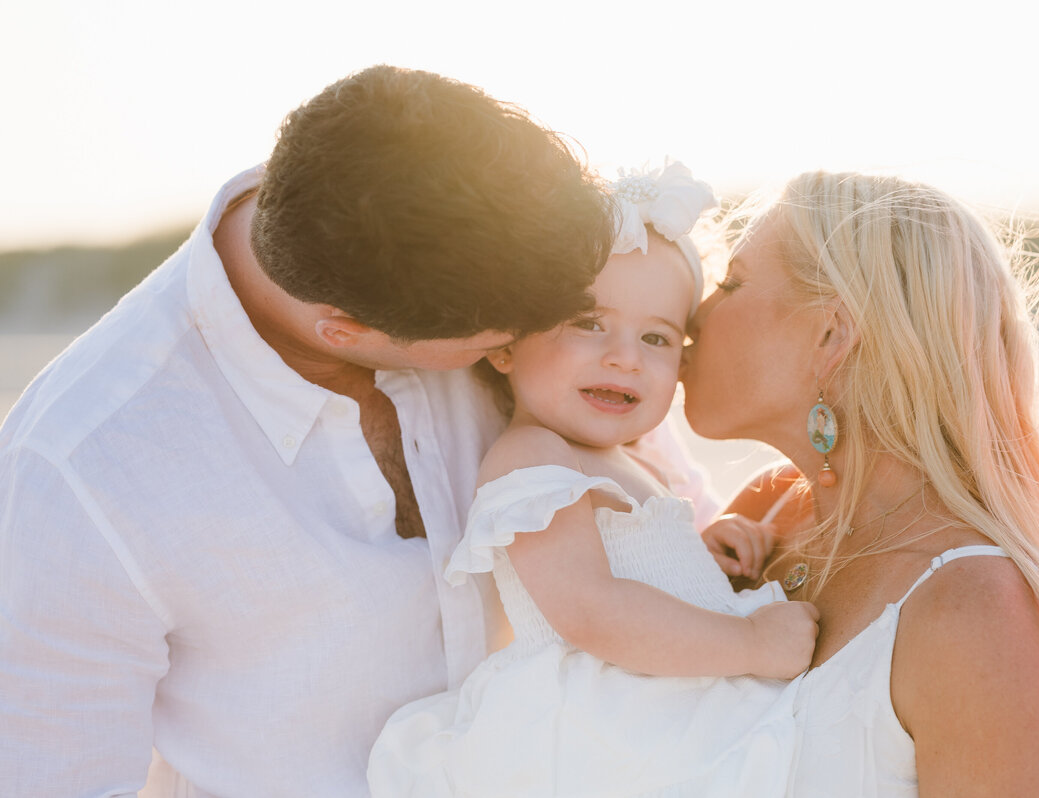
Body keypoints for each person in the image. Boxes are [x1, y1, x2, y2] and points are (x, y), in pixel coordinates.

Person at [0, 65, 619, 796]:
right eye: (495, 341)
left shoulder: (482, 267)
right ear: (346, 330)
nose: (517, 350)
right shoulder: (79, 473)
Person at [367, 162, 819, 797]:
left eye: (657, 337)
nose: (624, 356)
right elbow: (589, 609)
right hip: (602, 735)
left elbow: (638, 576)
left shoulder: (635, 464)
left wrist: (704, 557)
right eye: (588, 323)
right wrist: (748, 643)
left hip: (663, 713)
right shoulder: (532, 455)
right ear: (505, 344)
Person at [683, 171, 1039, 797]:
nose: (693, 315)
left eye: (731, 282)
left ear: (831, 334)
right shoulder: (767, 514)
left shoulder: (975, 610)